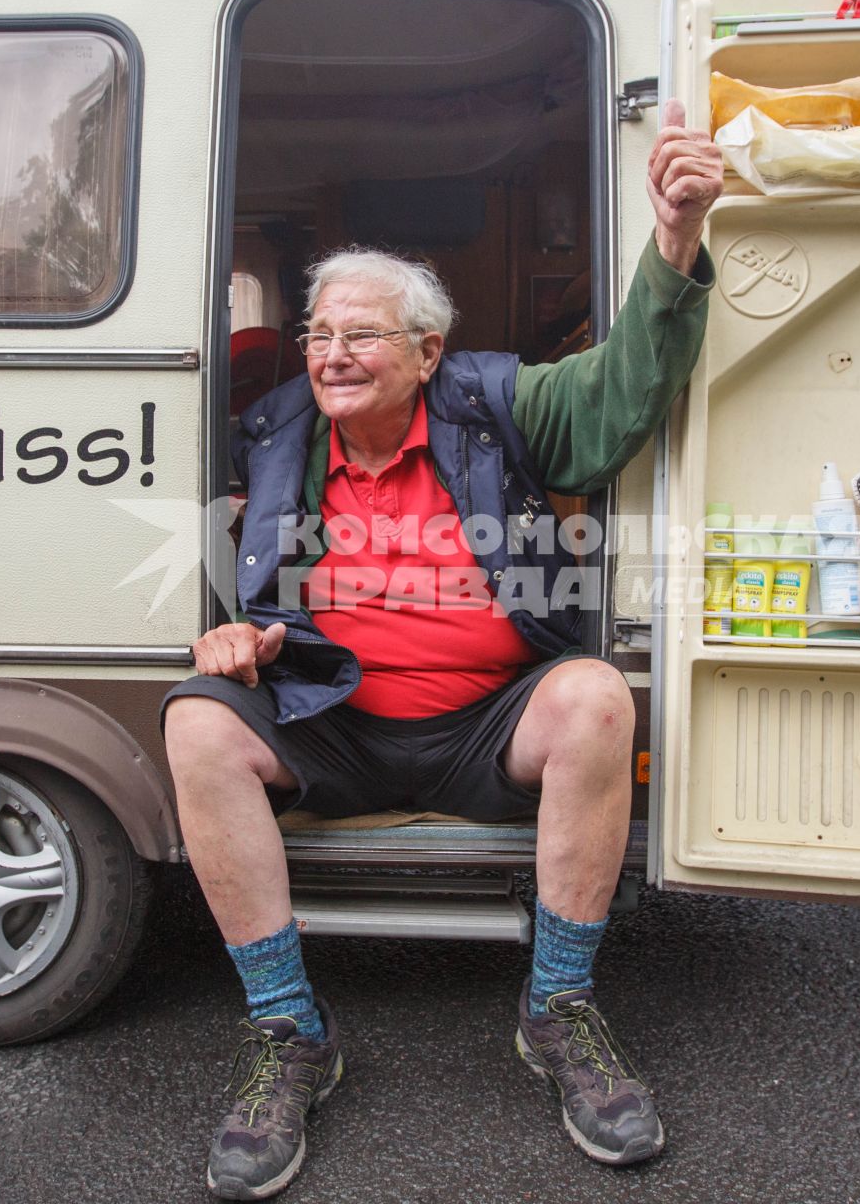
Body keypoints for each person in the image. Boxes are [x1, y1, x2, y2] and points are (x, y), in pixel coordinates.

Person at [161, 101, 724, 1201]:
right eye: (319, 333)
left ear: (427, 351)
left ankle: (557, 1007)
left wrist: (675, 241)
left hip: (484, 724)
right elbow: (240, 581)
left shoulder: (499, 401)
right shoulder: (275, 430)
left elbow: (620, 397)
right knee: (194, 719)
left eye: (361, 334)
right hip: (335, 715)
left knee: (598, 695)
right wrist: (242, 635)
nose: (332, 354)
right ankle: (290, 1030)